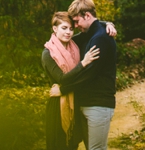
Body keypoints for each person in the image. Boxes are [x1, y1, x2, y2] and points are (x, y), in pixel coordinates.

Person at [42, 11, 101, 150]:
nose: (68, 32)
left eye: (71, 28)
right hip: (58, 104)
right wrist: (83, 63)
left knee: (73, 144)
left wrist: (108, 25)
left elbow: (93, 28)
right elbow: (61, 78)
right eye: (64, 28)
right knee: (59, 145)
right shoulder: (48, 53)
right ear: (55, 28)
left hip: (76, 100)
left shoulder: (74, 45)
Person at [66, 0, 117, 150]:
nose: (75, 26)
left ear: (87, 16)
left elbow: (87, 74)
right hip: (87, 103)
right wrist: (106, 23)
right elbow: (66, 39)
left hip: (98, 104)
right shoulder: (91, 34)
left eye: (76, 22)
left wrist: (62, 88)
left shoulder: (100, 38)